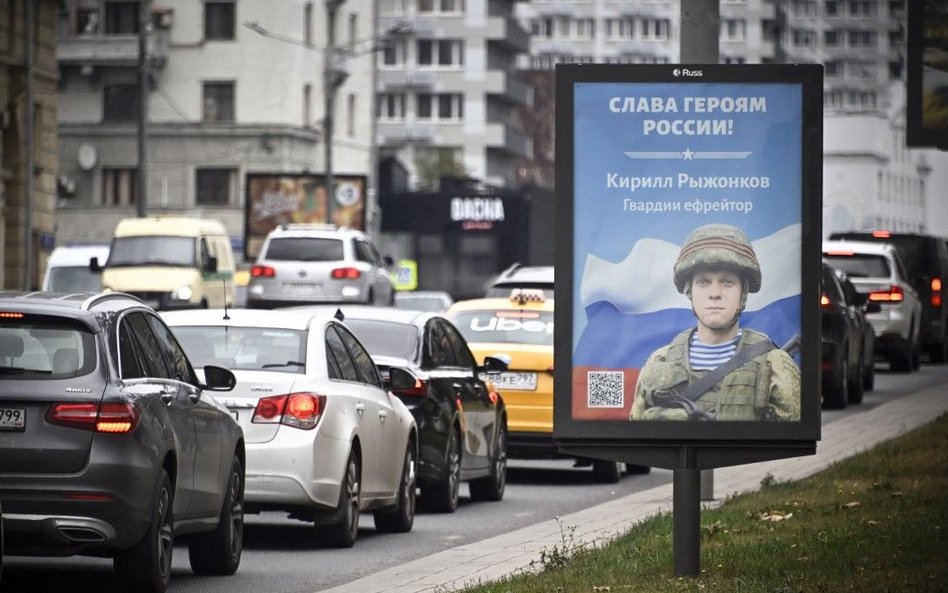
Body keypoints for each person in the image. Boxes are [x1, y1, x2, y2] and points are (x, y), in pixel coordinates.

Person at [629, 223, 800, 422]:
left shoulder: (774, 364)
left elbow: (791, 438)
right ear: (689, 290)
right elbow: (637, 433)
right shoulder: (660, 361)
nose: (715, 294)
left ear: (743, 293)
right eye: (703, 282)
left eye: (728, 282)